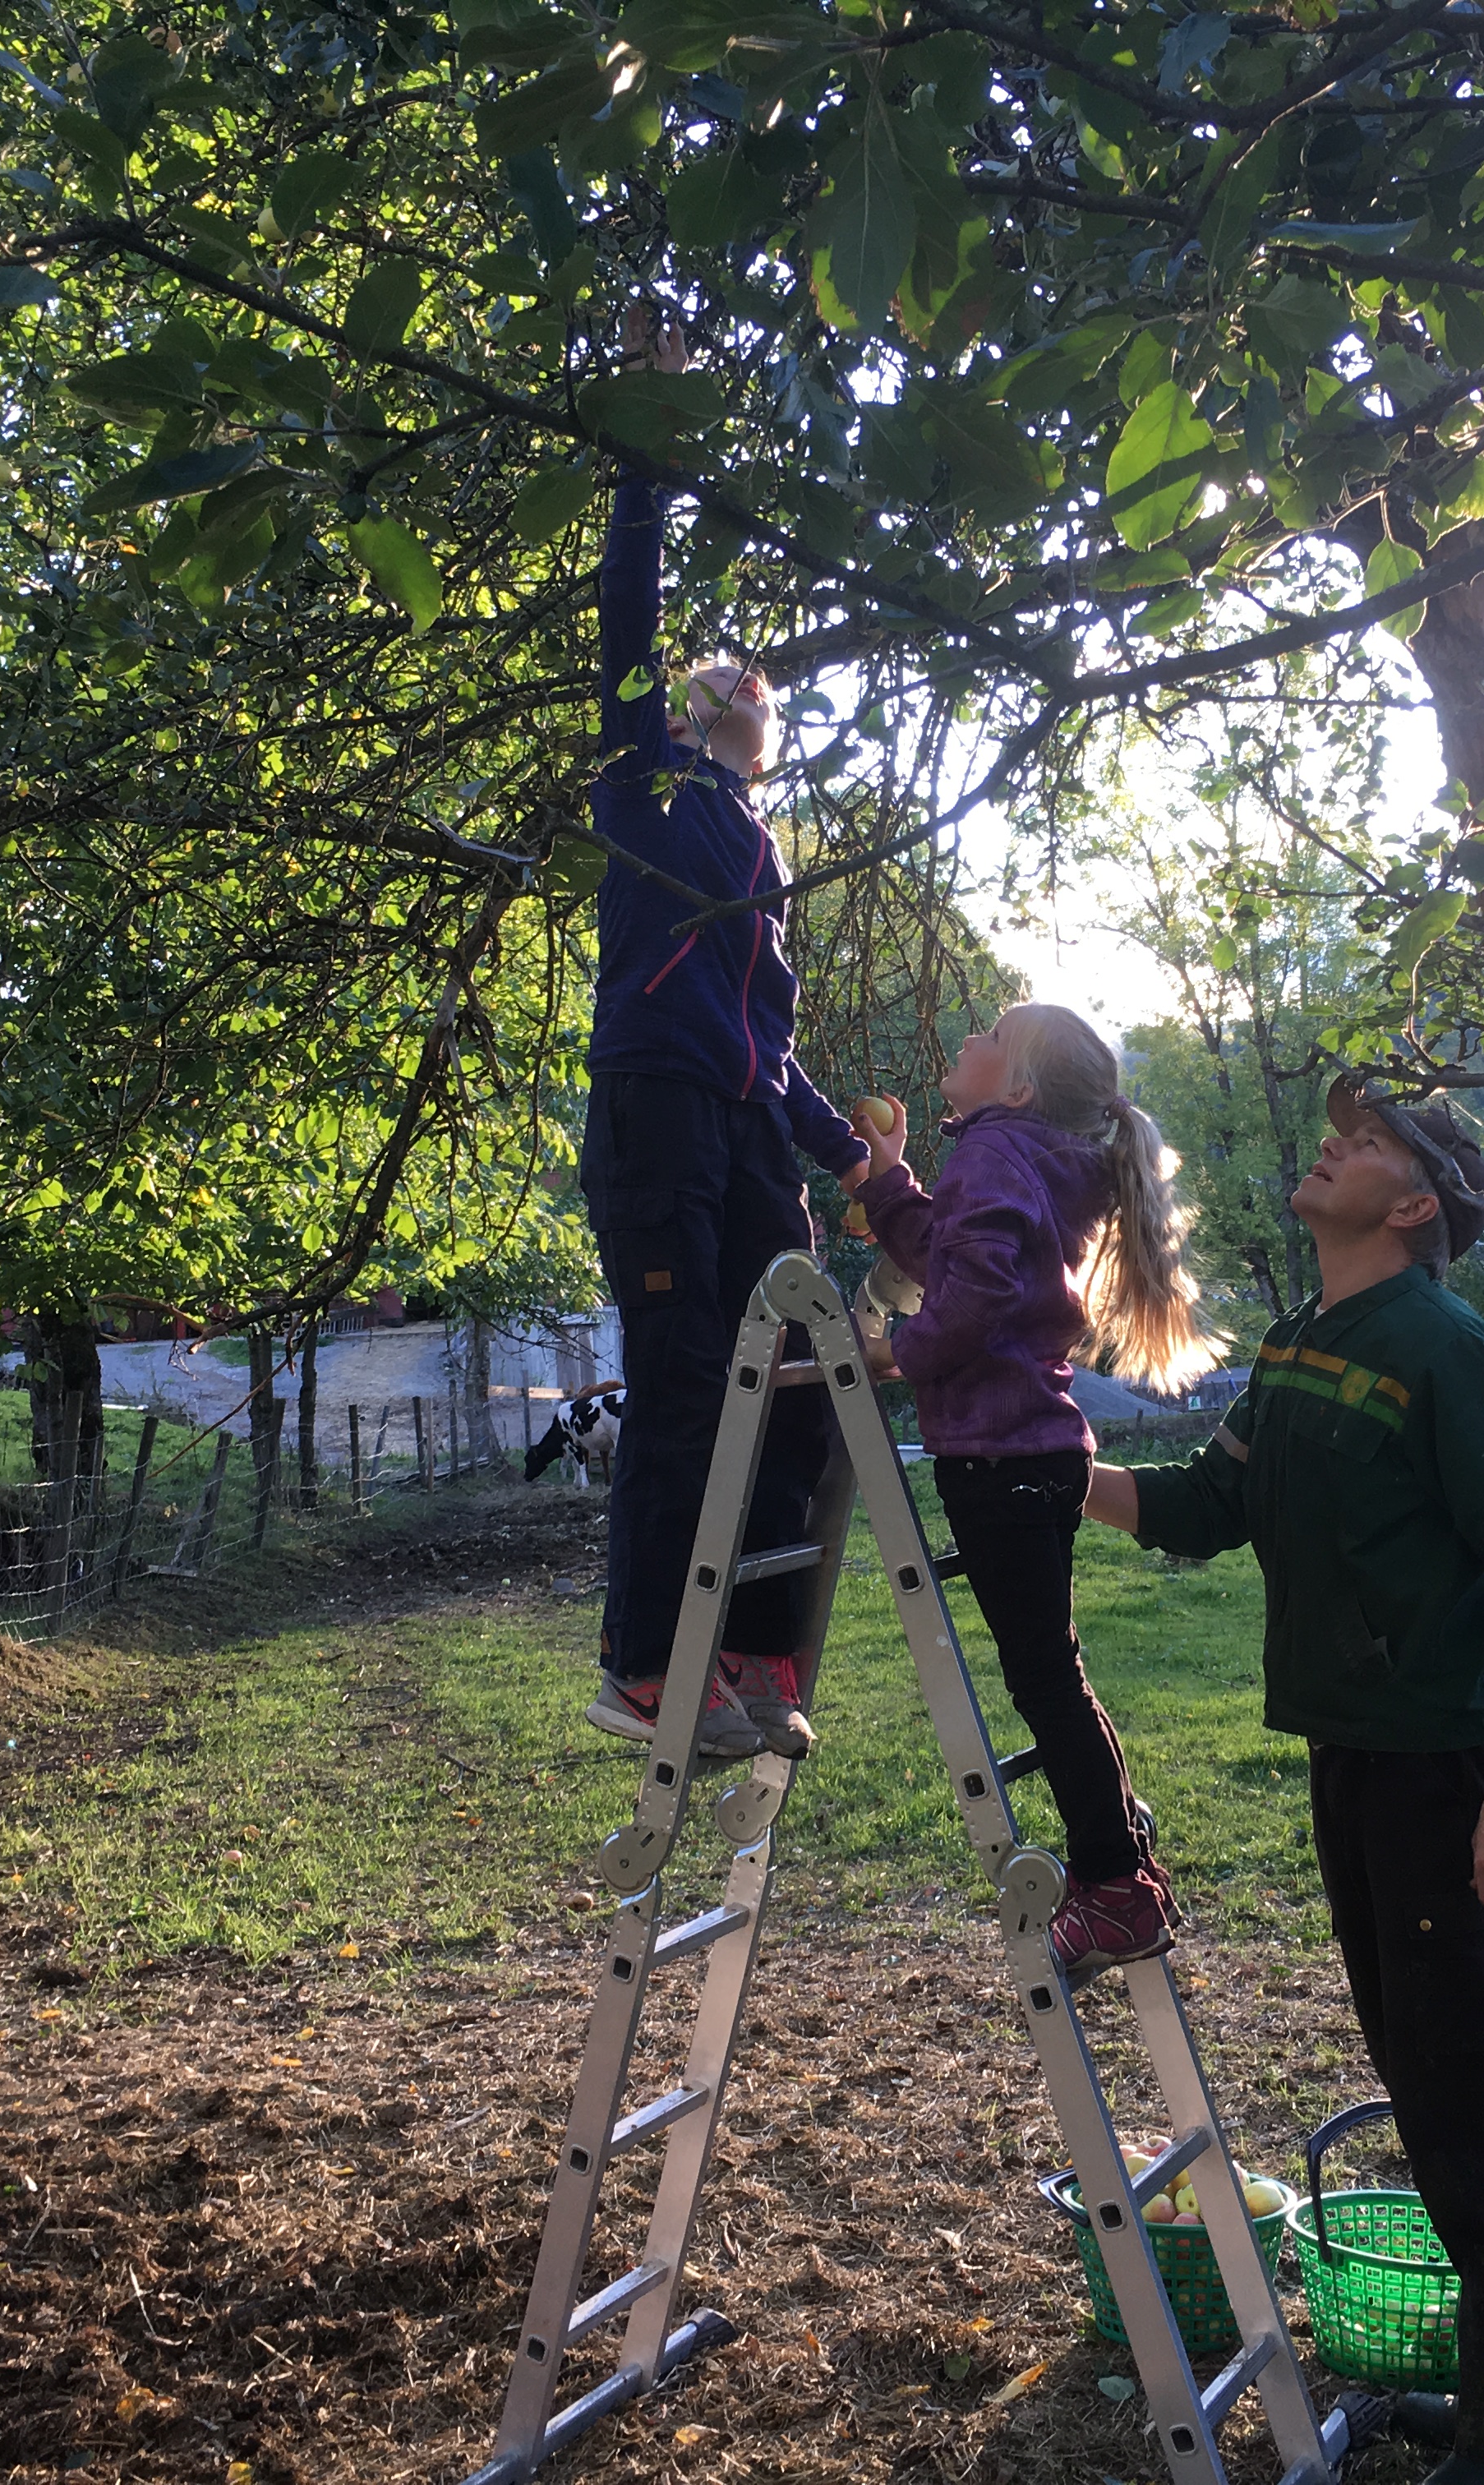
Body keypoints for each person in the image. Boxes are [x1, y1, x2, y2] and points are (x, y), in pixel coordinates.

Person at [1081, 1077, 1484, 2485]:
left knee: (1462, 2094)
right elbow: (1210, 1504)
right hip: (1355, 1762)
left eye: (1367, 1141)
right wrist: (1057, 1465)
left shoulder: (1444, 1349)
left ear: (1413, 1200)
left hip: (1444, 1775)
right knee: (1458, 2079)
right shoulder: (1310, 1339)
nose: (1333, 1144)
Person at [576, 307, 869, 1762]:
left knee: (812, 1372)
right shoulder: (648, 796)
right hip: (655, 1117)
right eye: (719, 677)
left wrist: (866, 1166)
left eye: (762, 682)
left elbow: (773, 1051)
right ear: (690, 713)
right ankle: (645, 1665)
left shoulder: (762, 849)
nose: (744, 682)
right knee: (688, 1383)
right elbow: (628, 627)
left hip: (745, 1126)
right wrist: (648, 456)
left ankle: (756, 1647)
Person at [846, 1004, 1222, 1980]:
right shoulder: (1027, 1154)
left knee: (1045, 1679)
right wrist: (888, 1180)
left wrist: (896, 1352)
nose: (964, 1039)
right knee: (1055, 1670)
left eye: (987, 1036)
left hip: (1000, 1454)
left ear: (1014, 1086)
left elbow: (967, 1301)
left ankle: (1114, 1882)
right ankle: (1123, 1851)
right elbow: (954, 1255)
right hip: (1037, 1449)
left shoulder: (992, 1152)